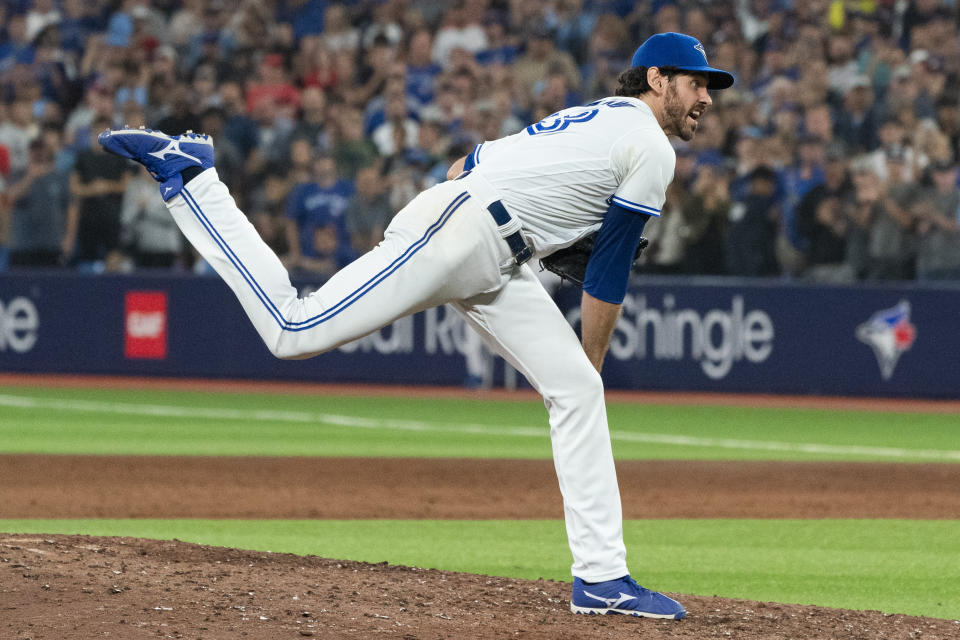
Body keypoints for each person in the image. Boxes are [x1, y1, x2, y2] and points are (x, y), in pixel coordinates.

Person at [99, 32, 733, 619]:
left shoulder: (599, 115)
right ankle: (193, 177)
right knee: (291, 330)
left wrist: (519, 229)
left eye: (710, 86)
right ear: (657, 79)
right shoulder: (651, 145)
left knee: (574, 391)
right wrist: (588, 349)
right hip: (462, 235)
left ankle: (601, 578)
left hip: (491, 248)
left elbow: (465, 161)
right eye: (696, 82)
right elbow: (610, 270)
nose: (706, 96)